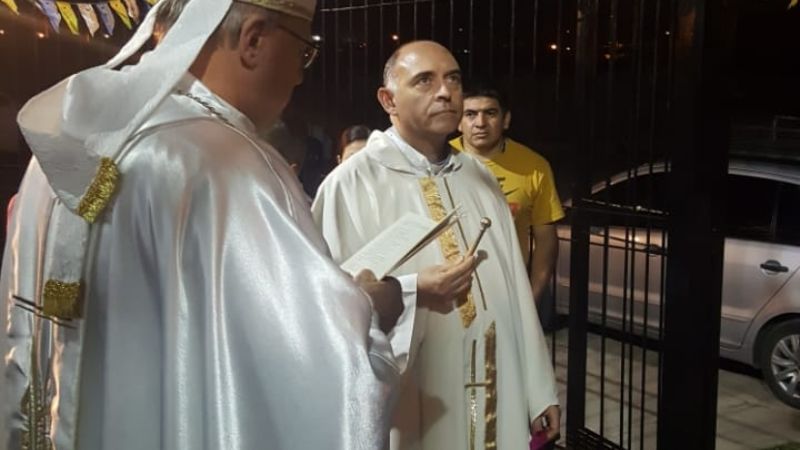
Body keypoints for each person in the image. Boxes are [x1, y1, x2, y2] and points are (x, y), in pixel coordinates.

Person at [0, 1, 462, 448]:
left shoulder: (68, 138)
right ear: (254, 39)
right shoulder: (231, 167)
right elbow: (326, 378)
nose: (300, 75)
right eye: (303, 52)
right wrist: (373, 308)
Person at [312, 41, 560, 450]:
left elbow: (516, 289)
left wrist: (539, 386)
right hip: (417, 396)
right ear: (388, 99)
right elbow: (330, 309)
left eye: (453, 79)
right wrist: (411, 292)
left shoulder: (478, 177)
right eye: (424, 81)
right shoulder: (352, 185)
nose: (445, 91)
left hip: (500, 379)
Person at [451, 86, 565, 324]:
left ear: (506, 120)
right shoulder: (438, 160)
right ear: (458, 121)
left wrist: (531, 298)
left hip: (510, 290)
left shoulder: (534, 166)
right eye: (470, 114)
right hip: (450, 292)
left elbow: (546, 240)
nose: (480, 122)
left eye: (490, 113)